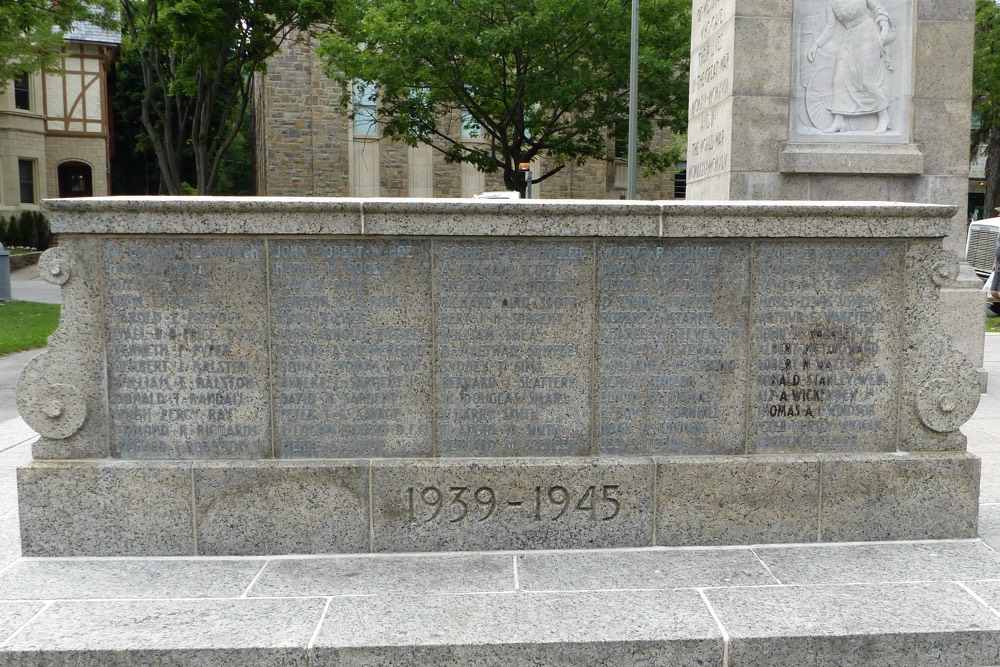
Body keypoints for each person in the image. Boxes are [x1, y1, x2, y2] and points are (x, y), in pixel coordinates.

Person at [807, 0, 895, 134]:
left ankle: (884, 117)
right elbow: (829, 28)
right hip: (850, 38)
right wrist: (816, 45)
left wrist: (884, 27)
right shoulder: (831, 3)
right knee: (840, 79)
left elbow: (877, 8)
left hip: (868, 33)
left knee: (868, 81)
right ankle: (839, 121)